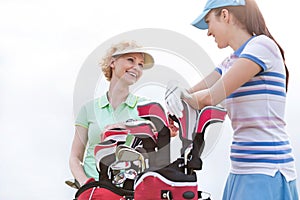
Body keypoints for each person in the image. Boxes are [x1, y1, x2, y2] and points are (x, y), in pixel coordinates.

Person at [165, 0, 299, 199]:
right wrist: (175, 97)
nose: (208, 32)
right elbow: (192, 94)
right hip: (241, 170)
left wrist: (182, 95)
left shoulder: (261, 46)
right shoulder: (230, 62)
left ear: (225, 15)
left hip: (266, 171)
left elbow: (211, 96)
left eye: (209, 22)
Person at [69, 41, 158, 188]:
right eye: (131, 60)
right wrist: (86, 184)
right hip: (93, 191)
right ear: (112, 62)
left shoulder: (146, 108)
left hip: (130, 191)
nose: (136, 68)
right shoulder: (88, 109)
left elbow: (159, 144)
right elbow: (75, 157)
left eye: (141, 64)